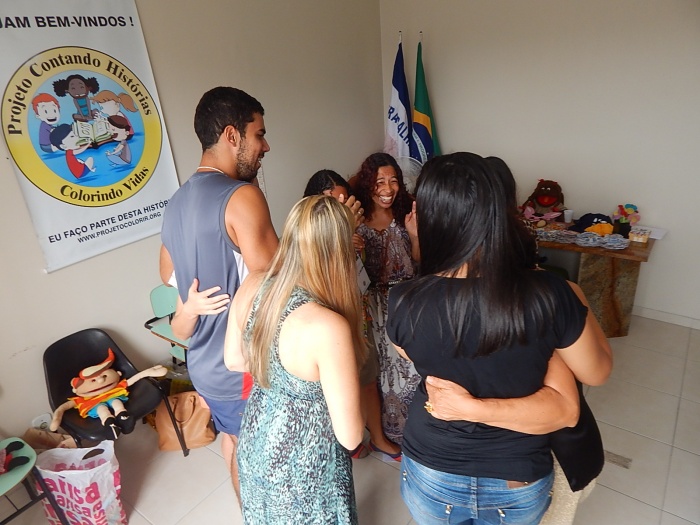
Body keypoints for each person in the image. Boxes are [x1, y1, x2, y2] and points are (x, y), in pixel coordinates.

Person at [386, 152, 612, 524]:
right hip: (515, 476)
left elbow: (420, 354)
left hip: (431, 468)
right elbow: (596, 372)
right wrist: (570, 308)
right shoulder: (550, 295)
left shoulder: (402, 300)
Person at [160, 86, 279, 502]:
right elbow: (281, 285)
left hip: (205, 366)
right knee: (261, 460)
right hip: (241, 369)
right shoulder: (242, 196)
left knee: (234, 439)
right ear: (232, 135)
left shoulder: (175, 205)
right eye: (259, 134)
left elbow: (168, 277)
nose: (265, 146)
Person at [224, 196, 366, 524]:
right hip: (304, 468)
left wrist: (278, 373)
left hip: (257, 440)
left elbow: (233, 359)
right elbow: (351, 437)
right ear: (341, 251)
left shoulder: (254, 282)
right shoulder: (327, 326)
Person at [353, 152, 420, 455]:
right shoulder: (356, 221)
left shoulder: (407, 211)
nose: (388, 188)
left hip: (407, 302)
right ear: (368, 184)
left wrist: (414, 235)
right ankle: (384, 432)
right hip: (372, 308)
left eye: (393, 181)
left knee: (411, 369)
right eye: (380, 181)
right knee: (379, 373)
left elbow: (419, 261)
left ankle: (413, 434)